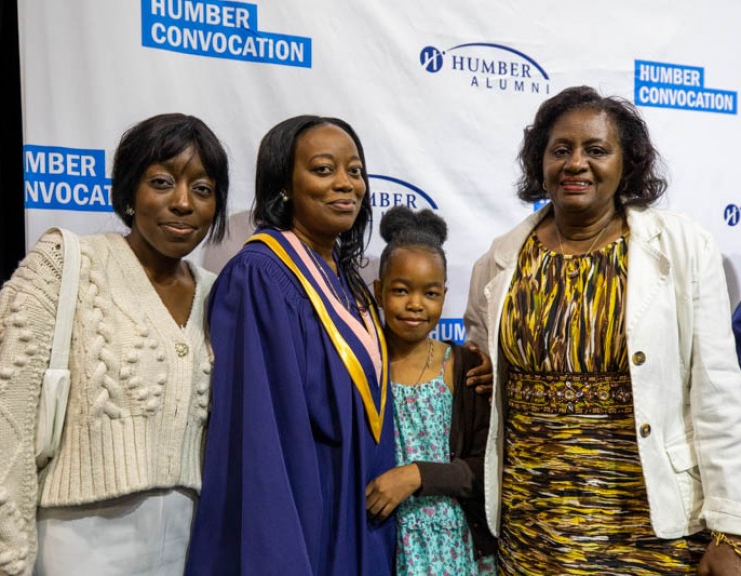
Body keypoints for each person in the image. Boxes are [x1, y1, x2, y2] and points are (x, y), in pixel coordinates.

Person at [464, 85, 741, 575]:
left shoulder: (682, 248)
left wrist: (730, 531)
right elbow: (482, 362)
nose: (576, 163)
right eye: (561, 150)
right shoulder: (500, 259)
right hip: (532, 527)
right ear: (539, 161)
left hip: (647, 524)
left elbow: (717, 396)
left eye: (596, 150)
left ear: (626, 163)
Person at [0, 113, 229, 575]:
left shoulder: (220, 296)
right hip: (79, 540)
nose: (183, 202)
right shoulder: (65, 263)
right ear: (130, 191)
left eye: (203, 189)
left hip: (189, 541)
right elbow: (2, 419)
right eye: (163, 181)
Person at [185, 115, 395, 575]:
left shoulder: (349, 282)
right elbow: (260, 440)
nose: (345, 184)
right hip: (306, 529)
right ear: (285, 186)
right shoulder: (261, 275)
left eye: (355, 171)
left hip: (359, 526)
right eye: (323, 170)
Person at [366, 206, 497, 575]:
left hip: (455, 546)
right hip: (384, 540)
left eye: (431, 293)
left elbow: (486, 465)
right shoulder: (362, 367)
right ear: (379, 291)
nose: (415, 305)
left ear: (444, 295)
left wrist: (417, 474)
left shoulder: (465, 367)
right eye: (401, 290)